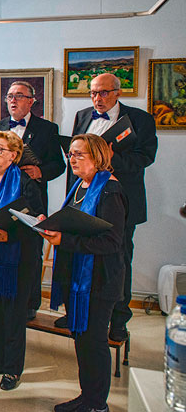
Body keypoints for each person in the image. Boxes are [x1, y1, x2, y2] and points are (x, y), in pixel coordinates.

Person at [67, 73, 157, 341]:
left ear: (118, 93)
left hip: (119, 201)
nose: (98, 98)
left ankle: (119, 319)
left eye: (104, 93)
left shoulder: (140, 119)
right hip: (84, 201)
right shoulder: (82, 116)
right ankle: (79, 311)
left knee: (119, 261)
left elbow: (145, 157)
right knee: (81, 256)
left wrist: (109, 159)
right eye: (93, 93)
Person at [44, 134, 127, 412]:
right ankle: (87, 396)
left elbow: (112, 242)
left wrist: (63, 240)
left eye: (80, 154)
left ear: (98, 157)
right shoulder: (81, 185)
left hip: (100, 280)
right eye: (71, 153)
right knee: (82, 339)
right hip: (77, 276)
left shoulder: (109, 190)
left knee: (94, 341)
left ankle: (97, 404)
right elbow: (75, 223)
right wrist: (50, 224)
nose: (72, 158)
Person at [0, 131, 45, 391]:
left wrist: (10, 236)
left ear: (14, 155)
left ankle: (12, 369)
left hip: (17, 260)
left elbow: (37, 223)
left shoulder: (26, 184)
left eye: (0, 149)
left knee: (12, 315)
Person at [0, 81, 65, 320]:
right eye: (9, 96)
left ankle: (29, 302)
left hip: (30, 196)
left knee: (29, 249)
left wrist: (39, 173)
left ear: (31, 101)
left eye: (19, 96)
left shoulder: (47, 128)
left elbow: (59, 165)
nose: (12, 100)